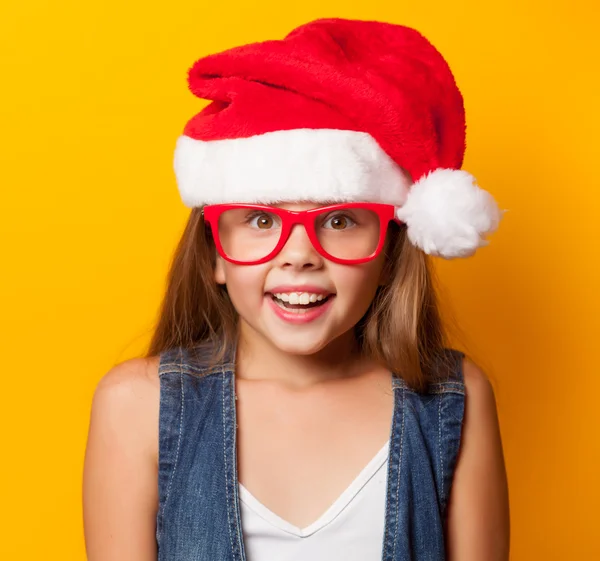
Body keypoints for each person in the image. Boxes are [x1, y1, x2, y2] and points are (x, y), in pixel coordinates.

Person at [83, 17, 510, 561]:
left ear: (388, 250)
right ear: (215, 253)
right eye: (261, 221)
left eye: (338, 221)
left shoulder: (453, 399)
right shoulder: (136, 406)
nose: (300, 254)